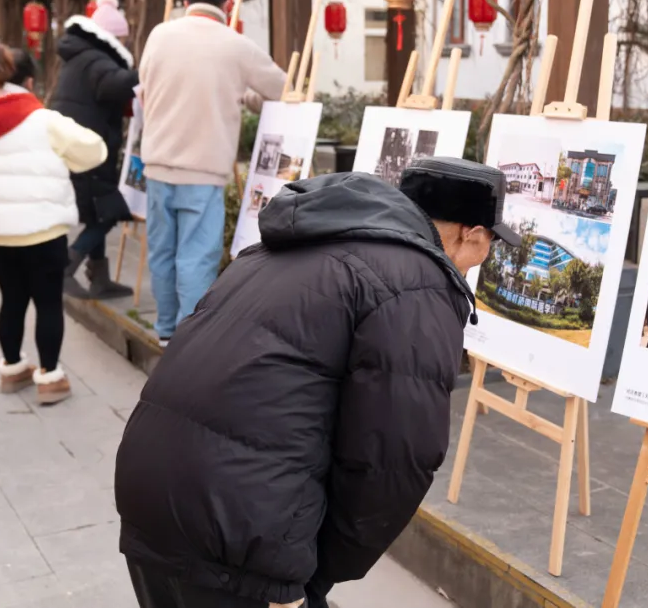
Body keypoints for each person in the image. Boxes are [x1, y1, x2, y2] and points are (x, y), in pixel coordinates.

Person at [114, 157, 521, 608]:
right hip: (240, 530)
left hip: (151, 492)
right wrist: (313, 570)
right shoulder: (418, 285)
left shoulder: (295, 241)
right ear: (472, 235)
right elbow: (393, 461)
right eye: (491, 242)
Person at [0, 45, 107, 405]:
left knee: (11, 301)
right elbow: (94, 150)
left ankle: (13, 368)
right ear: (30, 81)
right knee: (48, 303)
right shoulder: (44, 120)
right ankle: (49, 378)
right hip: (43, 230)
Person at [139, 0, 288, 346]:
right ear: (227, 4)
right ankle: (188, 341)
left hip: (156, 165)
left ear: (186, 1)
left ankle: (165, 329)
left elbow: (145, 88)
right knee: (196, 256)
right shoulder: (235, 45)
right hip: (203, 169)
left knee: (161, 252)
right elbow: (283, 88)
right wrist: (246, 97)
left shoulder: (159, 35)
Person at [51, 0, 140, 299]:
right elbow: (116, 85)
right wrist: (147, 73)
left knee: (98, 210)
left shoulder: (82, 57)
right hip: (89, 149)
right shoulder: (97, 61)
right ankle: (66, 266)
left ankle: (100, 277)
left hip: (78, 146)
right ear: (112, 38)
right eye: (123, 39)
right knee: (111, 211)